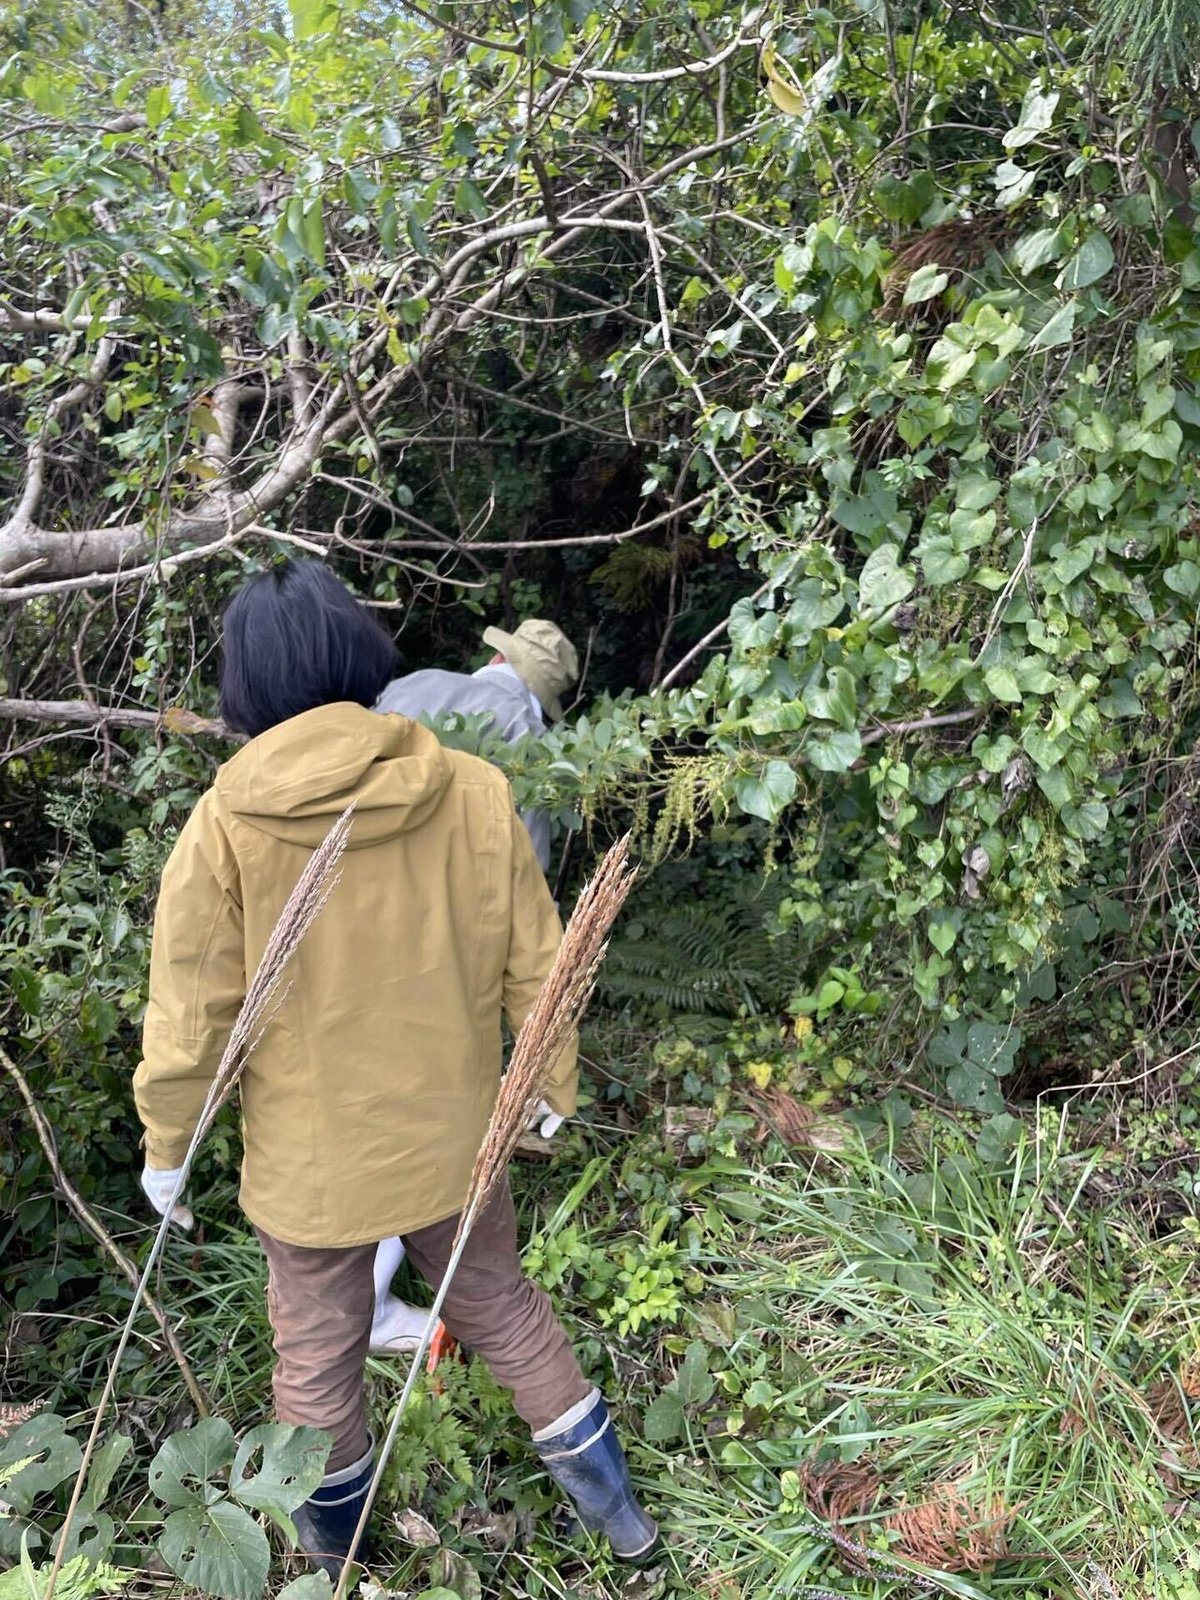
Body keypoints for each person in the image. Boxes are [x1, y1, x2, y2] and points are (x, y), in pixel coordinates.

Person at [132, 561, 658, 1572]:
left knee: (318, 1364)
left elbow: (188, 1016)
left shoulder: (222, 827)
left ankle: (336, 1569)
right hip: (457, 1140)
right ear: (357, 649)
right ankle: (625, 1527)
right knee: (505, 1307)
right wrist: (549, 1090)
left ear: (242, 686)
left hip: (311, 1169)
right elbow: (541, 965)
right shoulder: (468, 787)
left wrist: (168, 1149)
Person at [369, 618, 580, 1353]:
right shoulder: (535, 748)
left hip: (347, 921)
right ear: (543, 693)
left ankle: (354, 1297)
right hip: (445, 958)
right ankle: (371, 1303)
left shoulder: (406, 687)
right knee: (429, 1125)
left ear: (493, 654)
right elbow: (528, 883)